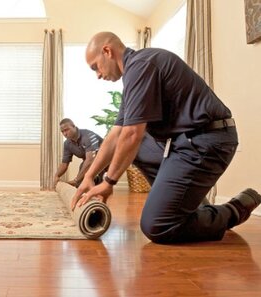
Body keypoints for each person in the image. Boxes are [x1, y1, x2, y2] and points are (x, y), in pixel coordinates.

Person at [71, 31, 261, 244]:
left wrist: (109, 182)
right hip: (186, 142)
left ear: (107, 51)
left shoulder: (142, 66)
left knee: (157, 225)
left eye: (95, 66)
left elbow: (133, 134)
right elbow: (116, 135)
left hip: (208, 140)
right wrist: (89, 176)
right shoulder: (135, 74)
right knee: (137, 146)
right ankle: (191, 206)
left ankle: (233, 210)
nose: (97, 74)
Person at [53, 118, 106, 188]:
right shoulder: (67, 143)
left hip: (106, 161)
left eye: (66, 130)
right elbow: (64, 164)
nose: (65, 133)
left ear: (74, 126)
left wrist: (76, 180)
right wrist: (57, 176)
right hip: (90, 162)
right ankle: (91, 183)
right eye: (62, 131)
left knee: (84, 180)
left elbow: (90, 160)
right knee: (79, 185)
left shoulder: (88, 136)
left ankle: (97, 181)